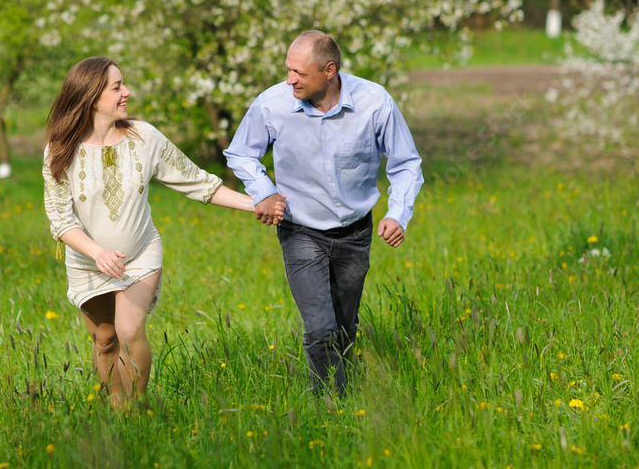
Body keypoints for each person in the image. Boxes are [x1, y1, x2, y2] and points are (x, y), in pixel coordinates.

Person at [43, 56, 284, 407]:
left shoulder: (145, 137)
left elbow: (198, 182)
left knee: (128, 331)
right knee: (105, 339)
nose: (127, 92)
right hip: (87, 264)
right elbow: (61, 220)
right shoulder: (59, 150)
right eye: (117, 87)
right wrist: (98, 253)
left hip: (140, 255)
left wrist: (258, 203)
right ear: (93, 96)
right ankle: (117, 406)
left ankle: (136, 409)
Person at [224, 31, 423, 395]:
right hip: (300, 230)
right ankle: (332, 403)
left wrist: (397, 214)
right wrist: (264, 191)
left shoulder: (374, 103)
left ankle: (344, 385)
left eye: (299, 73)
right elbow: (240, 153)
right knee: (319, 327)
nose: (290, 80)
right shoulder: (272, 104)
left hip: (355, 232)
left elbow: (406, 163)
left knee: (344, 325)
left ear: (329, 70)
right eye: (288, 70)